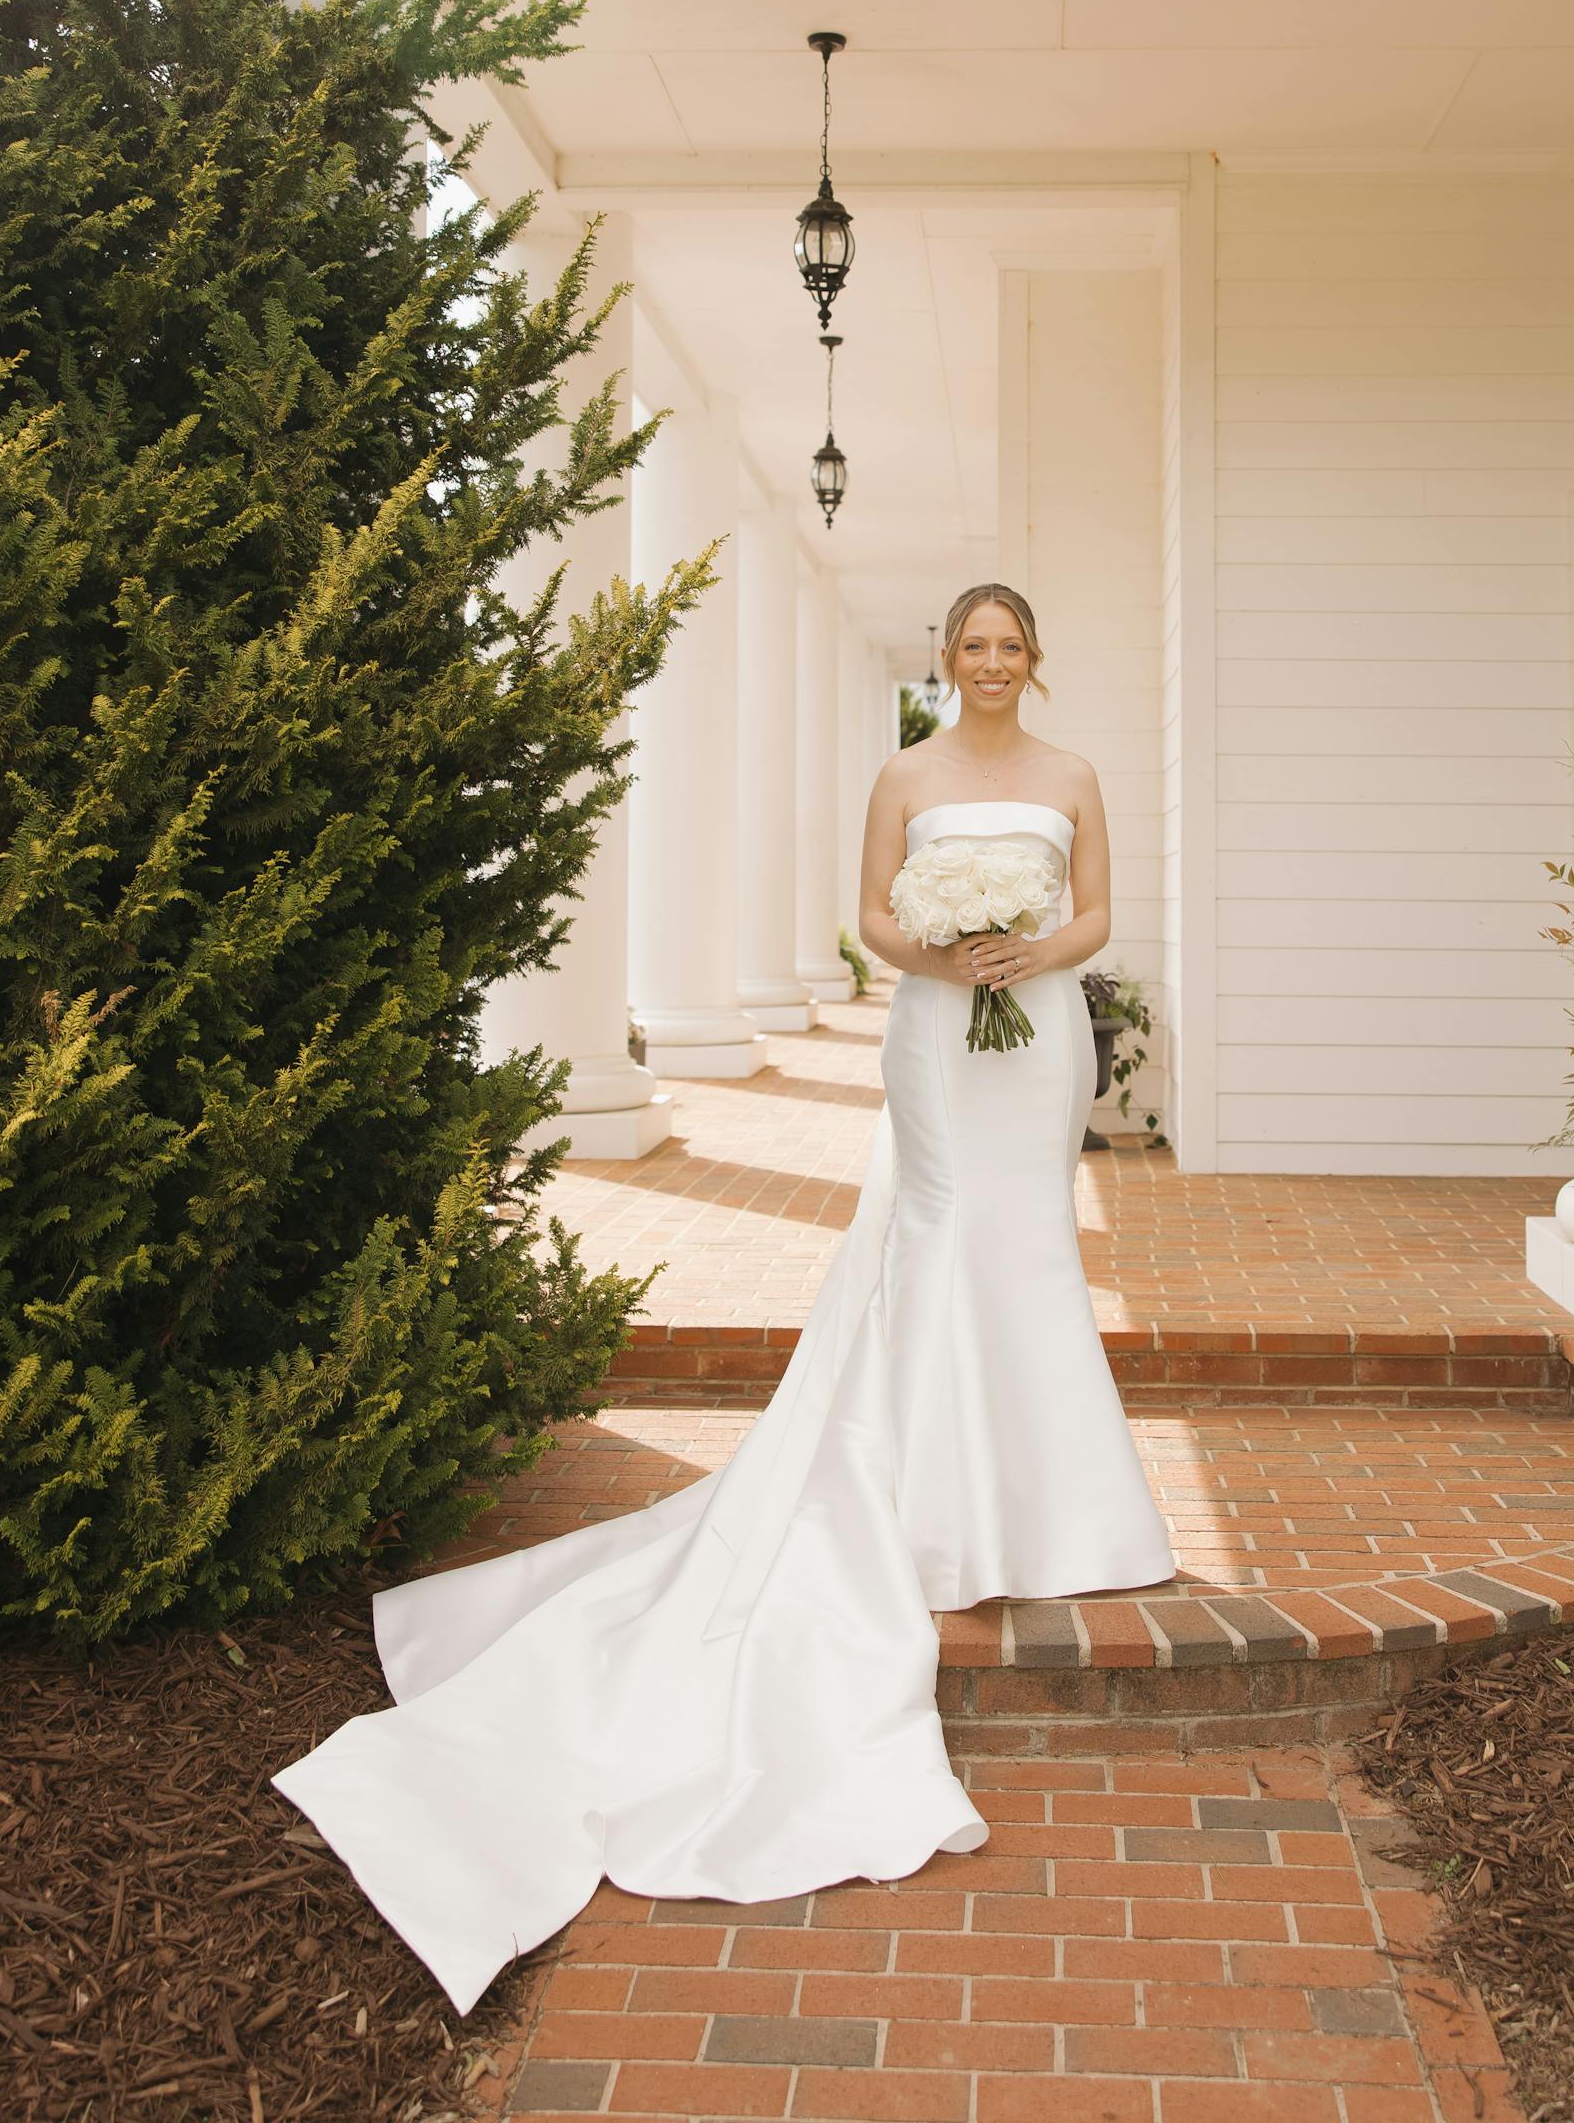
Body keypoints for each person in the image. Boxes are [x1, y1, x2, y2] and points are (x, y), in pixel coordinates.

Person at [272, 583, 1173, 2013]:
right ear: (948, 661)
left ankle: (1055, 1505)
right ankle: (929, 1503)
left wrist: (1029, 949)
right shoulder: (906, 772)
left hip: (1039, 1031)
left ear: (1032, 661)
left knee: (1031, 1241)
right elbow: (875, 915)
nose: (992, 665)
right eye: (973, 647)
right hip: (943, 1033)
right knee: (944, 1233)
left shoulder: (1071, 778)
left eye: (1012, 647)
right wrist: (944, 953)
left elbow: (1107, 909)